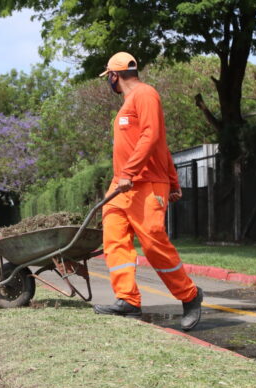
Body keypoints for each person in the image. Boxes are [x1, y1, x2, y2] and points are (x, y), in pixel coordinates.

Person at [94, 52, 203, 331]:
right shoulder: (128, 103)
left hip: (143, 183)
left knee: (154, 243)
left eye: (109, 77)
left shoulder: (145, 94)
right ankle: (128, 300)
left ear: (114, 76)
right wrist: (173, 180)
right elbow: (160, 145)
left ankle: (190, 296)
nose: (110, 81)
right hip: (121, 185)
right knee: (114, 240)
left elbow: (153, 136)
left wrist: (141, 175)